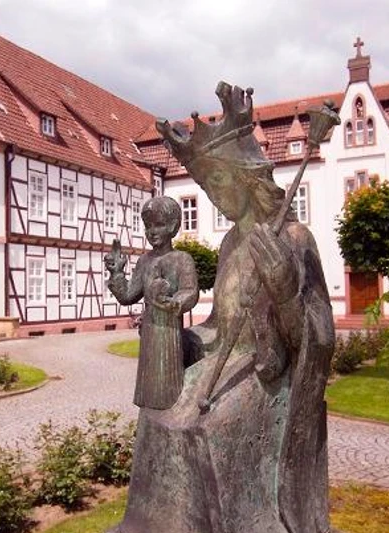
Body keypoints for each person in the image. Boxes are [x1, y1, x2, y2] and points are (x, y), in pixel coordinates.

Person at [109, 83, 336, 533]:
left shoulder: (294, 239)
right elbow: (219, 324)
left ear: (246, 177)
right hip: (225, 362)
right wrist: (185, 337)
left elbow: (320, 340)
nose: (211, 196)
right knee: (159, 413)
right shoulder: (232, 243)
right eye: (204, 185)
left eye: (216, 182)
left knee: (204, 427)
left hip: (267, 375)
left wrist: (287, 290)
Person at [105, 196, 199, 410]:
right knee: (148, 393)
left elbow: (190, 292)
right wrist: (117, 272)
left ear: (173, 227)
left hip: (168, 331)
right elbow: (128, 295)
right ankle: (149, 422)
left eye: (159, 225)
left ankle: (168, 417)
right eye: (148, 226)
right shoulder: (144, 261)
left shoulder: (182, 259)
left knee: (167, 391)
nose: (152, 231)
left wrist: (174, 303)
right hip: (150, 331)